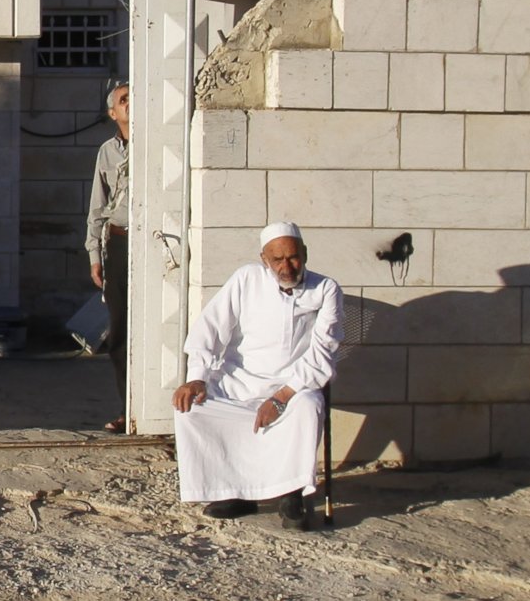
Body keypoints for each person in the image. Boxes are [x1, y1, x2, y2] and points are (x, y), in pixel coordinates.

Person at [171, 221, 341, 529]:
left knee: (308, 407)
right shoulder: (246, 279)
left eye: (293, 257)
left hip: (293, 386)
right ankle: (237, 492)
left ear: (305, 253)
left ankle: (291, 494)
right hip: (240, 381)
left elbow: (322, 351)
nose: (286, 266)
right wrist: (197, 375)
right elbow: (209, 328)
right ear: (264, 260)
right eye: (277, 260)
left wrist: (280, 398)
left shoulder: (326, 289)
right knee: (190, 407)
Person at [82, 81, 131, 432]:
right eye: (124, 100)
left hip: (155, 244)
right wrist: (94, 256)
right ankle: (127, 408)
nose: (132, 104)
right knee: (120, 331)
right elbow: (97, 208)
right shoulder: (107, 152)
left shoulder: (160, 143)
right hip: (119, 243)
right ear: (112, 113)